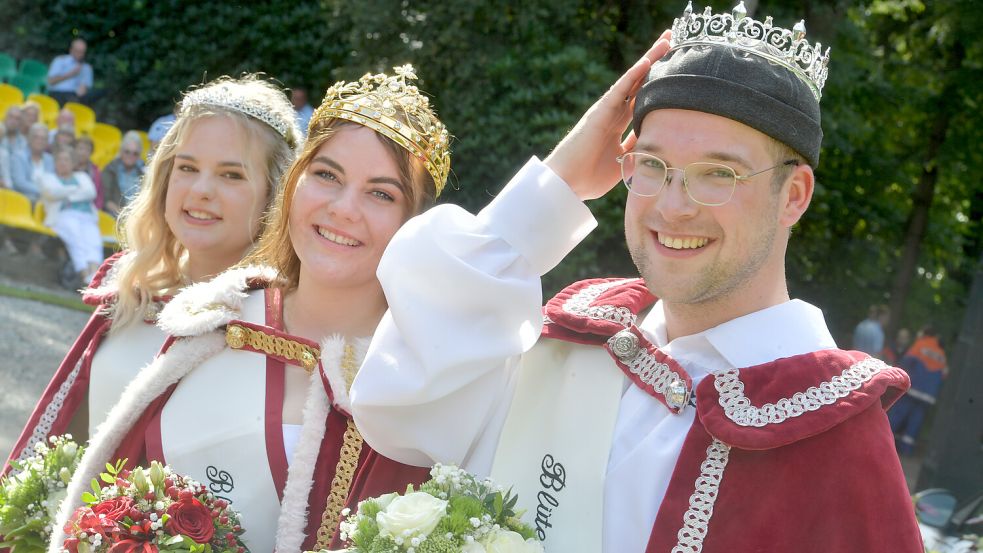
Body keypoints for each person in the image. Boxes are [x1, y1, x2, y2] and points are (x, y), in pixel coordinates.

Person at [351, 6, 922, 553]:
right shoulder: (569, 339)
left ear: (792, 196)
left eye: (717, 174)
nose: (673, 207)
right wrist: (555, 185)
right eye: (652, 165)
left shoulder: (833, 440)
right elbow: (396, 408)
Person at [47, 65, 451, 553]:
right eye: (188, 167)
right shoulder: (175, 310)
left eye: (382, 193)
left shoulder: (415, 374)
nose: (201, 190)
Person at [5, 74, 300, 485]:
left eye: (231, 175)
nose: (200, 189)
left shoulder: (284, 326)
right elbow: (67, 437)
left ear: (275, 194)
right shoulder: (130, 284)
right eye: (187, 167)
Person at [37, 146, 103, 284]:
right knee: (76, 240)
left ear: (73, 163)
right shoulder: (47, 178)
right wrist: (76, 190)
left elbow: (91, 192)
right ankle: (85, 275)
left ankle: (93, 277)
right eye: (59, 159)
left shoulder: (82, 176)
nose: (63, 163)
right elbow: (53, 192)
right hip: (63, 215)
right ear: (54, 162)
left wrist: (67, 195)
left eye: (66, 160)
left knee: (94, 242)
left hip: (87, 217)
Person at [889, 327, 947, 455]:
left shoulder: (921, 344)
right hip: (928, 395)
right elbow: (943, 375)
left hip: (914, 389)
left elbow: (906, 362)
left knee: (898, 414)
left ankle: (885, 443)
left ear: (925, 333)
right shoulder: (941, 353)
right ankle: (906, 449)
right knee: (916, 420)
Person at [101, 130, 146, 215]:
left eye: (135, 153)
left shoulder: (144, 172)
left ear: (139, 155)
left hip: (138, 216)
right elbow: (106, 200)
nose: (130, 156)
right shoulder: (110, 169)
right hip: (115, 215)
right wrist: (123, 216)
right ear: (121, 151)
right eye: (127, 152)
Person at [10, 122, 54, 202]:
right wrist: (43, 192)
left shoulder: (50, 159)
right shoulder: (18, 157)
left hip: (46, 199)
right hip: (23, 198)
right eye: (36, 137)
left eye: (43, 138)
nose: (40, 141)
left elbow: (52, 181)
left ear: (47, 142)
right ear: (29, 139)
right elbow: (20, 183)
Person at [46, 38, 95, 106]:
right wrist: (70, 74)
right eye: (78, 51)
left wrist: (82, 89)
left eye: (82, 52)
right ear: (71, 50)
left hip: (74, 96)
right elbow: (50, 81)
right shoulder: (60, 60)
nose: (80, 54)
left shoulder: (86, 68)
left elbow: (83, 89)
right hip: (57, 93)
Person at [74, 135, 104, 209]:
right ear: (74, 149)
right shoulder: (68, 167)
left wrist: (95, 209)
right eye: (80, 148)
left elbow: (99, 196)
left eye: (87, 150)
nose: (83, 153)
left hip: (89, 209)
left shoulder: (96, 172)